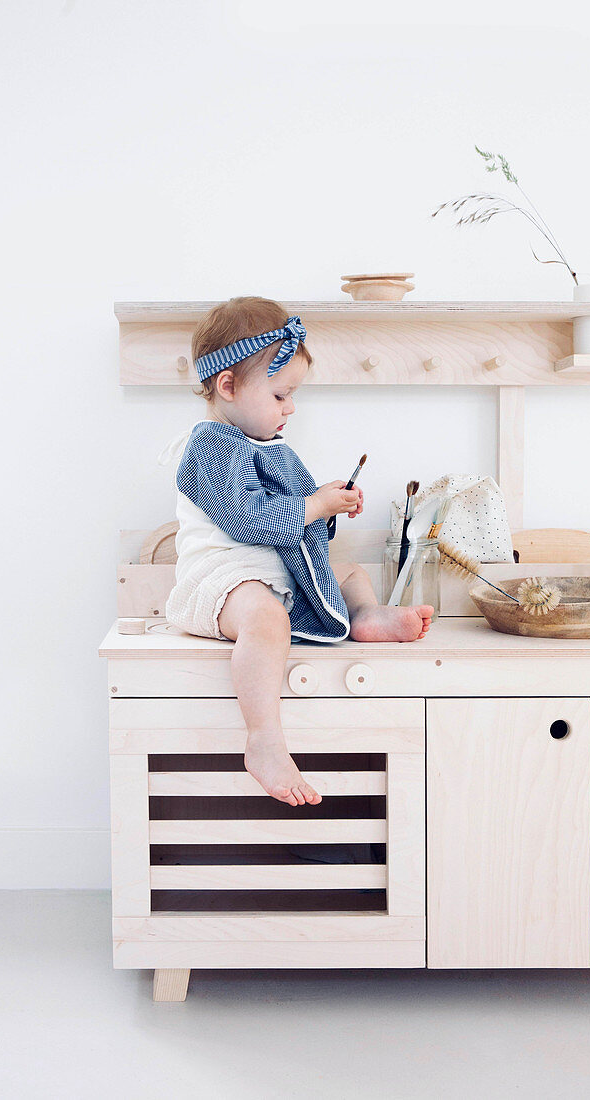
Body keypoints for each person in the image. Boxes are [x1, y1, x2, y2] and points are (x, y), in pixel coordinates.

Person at [163, 296, 434, 807]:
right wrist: (310, 506)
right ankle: (264, 739)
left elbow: (297, 525)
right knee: (265, 620)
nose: (290, 408)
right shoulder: (210, 445)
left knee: (347, 568)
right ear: (228, 386)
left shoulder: (270, 447)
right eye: (281, 394)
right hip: (221, 578)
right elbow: (245, 518)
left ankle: (365, 613)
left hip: (268, 569)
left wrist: (325, 509)